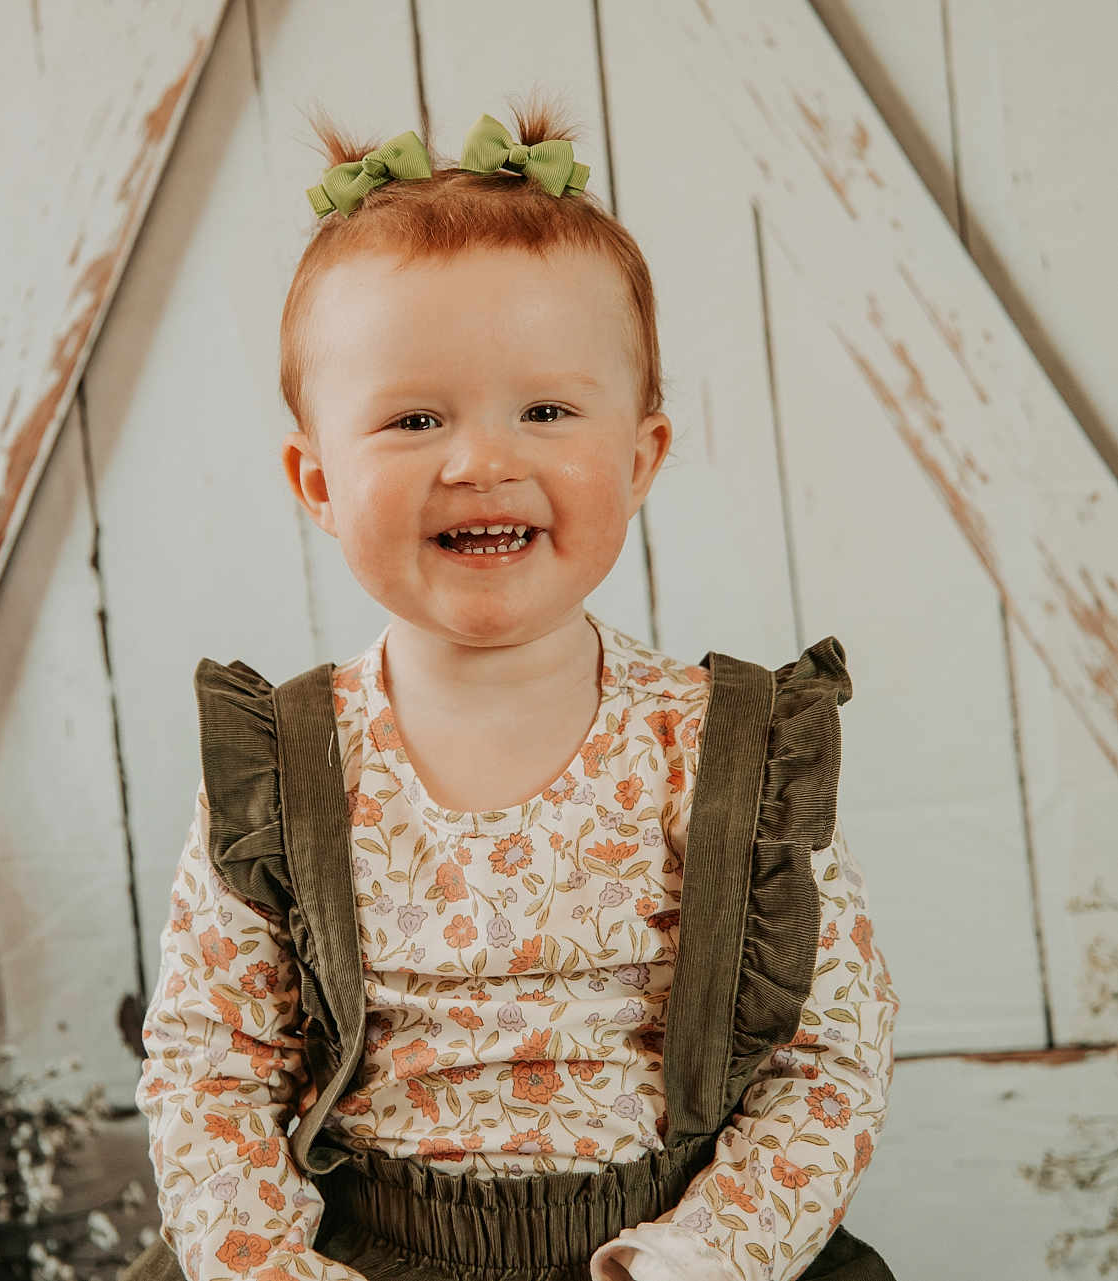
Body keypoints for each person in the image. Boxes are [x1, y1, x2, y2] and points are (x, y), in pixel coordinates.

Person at [125, 94, 899, 1281]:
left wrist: (712, 1252)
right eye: (414, 416)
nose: (482, 459)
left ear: (640, 458)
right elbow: (210, 1065)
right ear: (318, 480)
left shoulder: (723, 752)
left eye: (546, 410)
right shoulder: (287, 770)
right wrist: (273, 1270)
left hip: (674, 1248)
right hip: (371, 1252)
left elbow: (825, 1051)